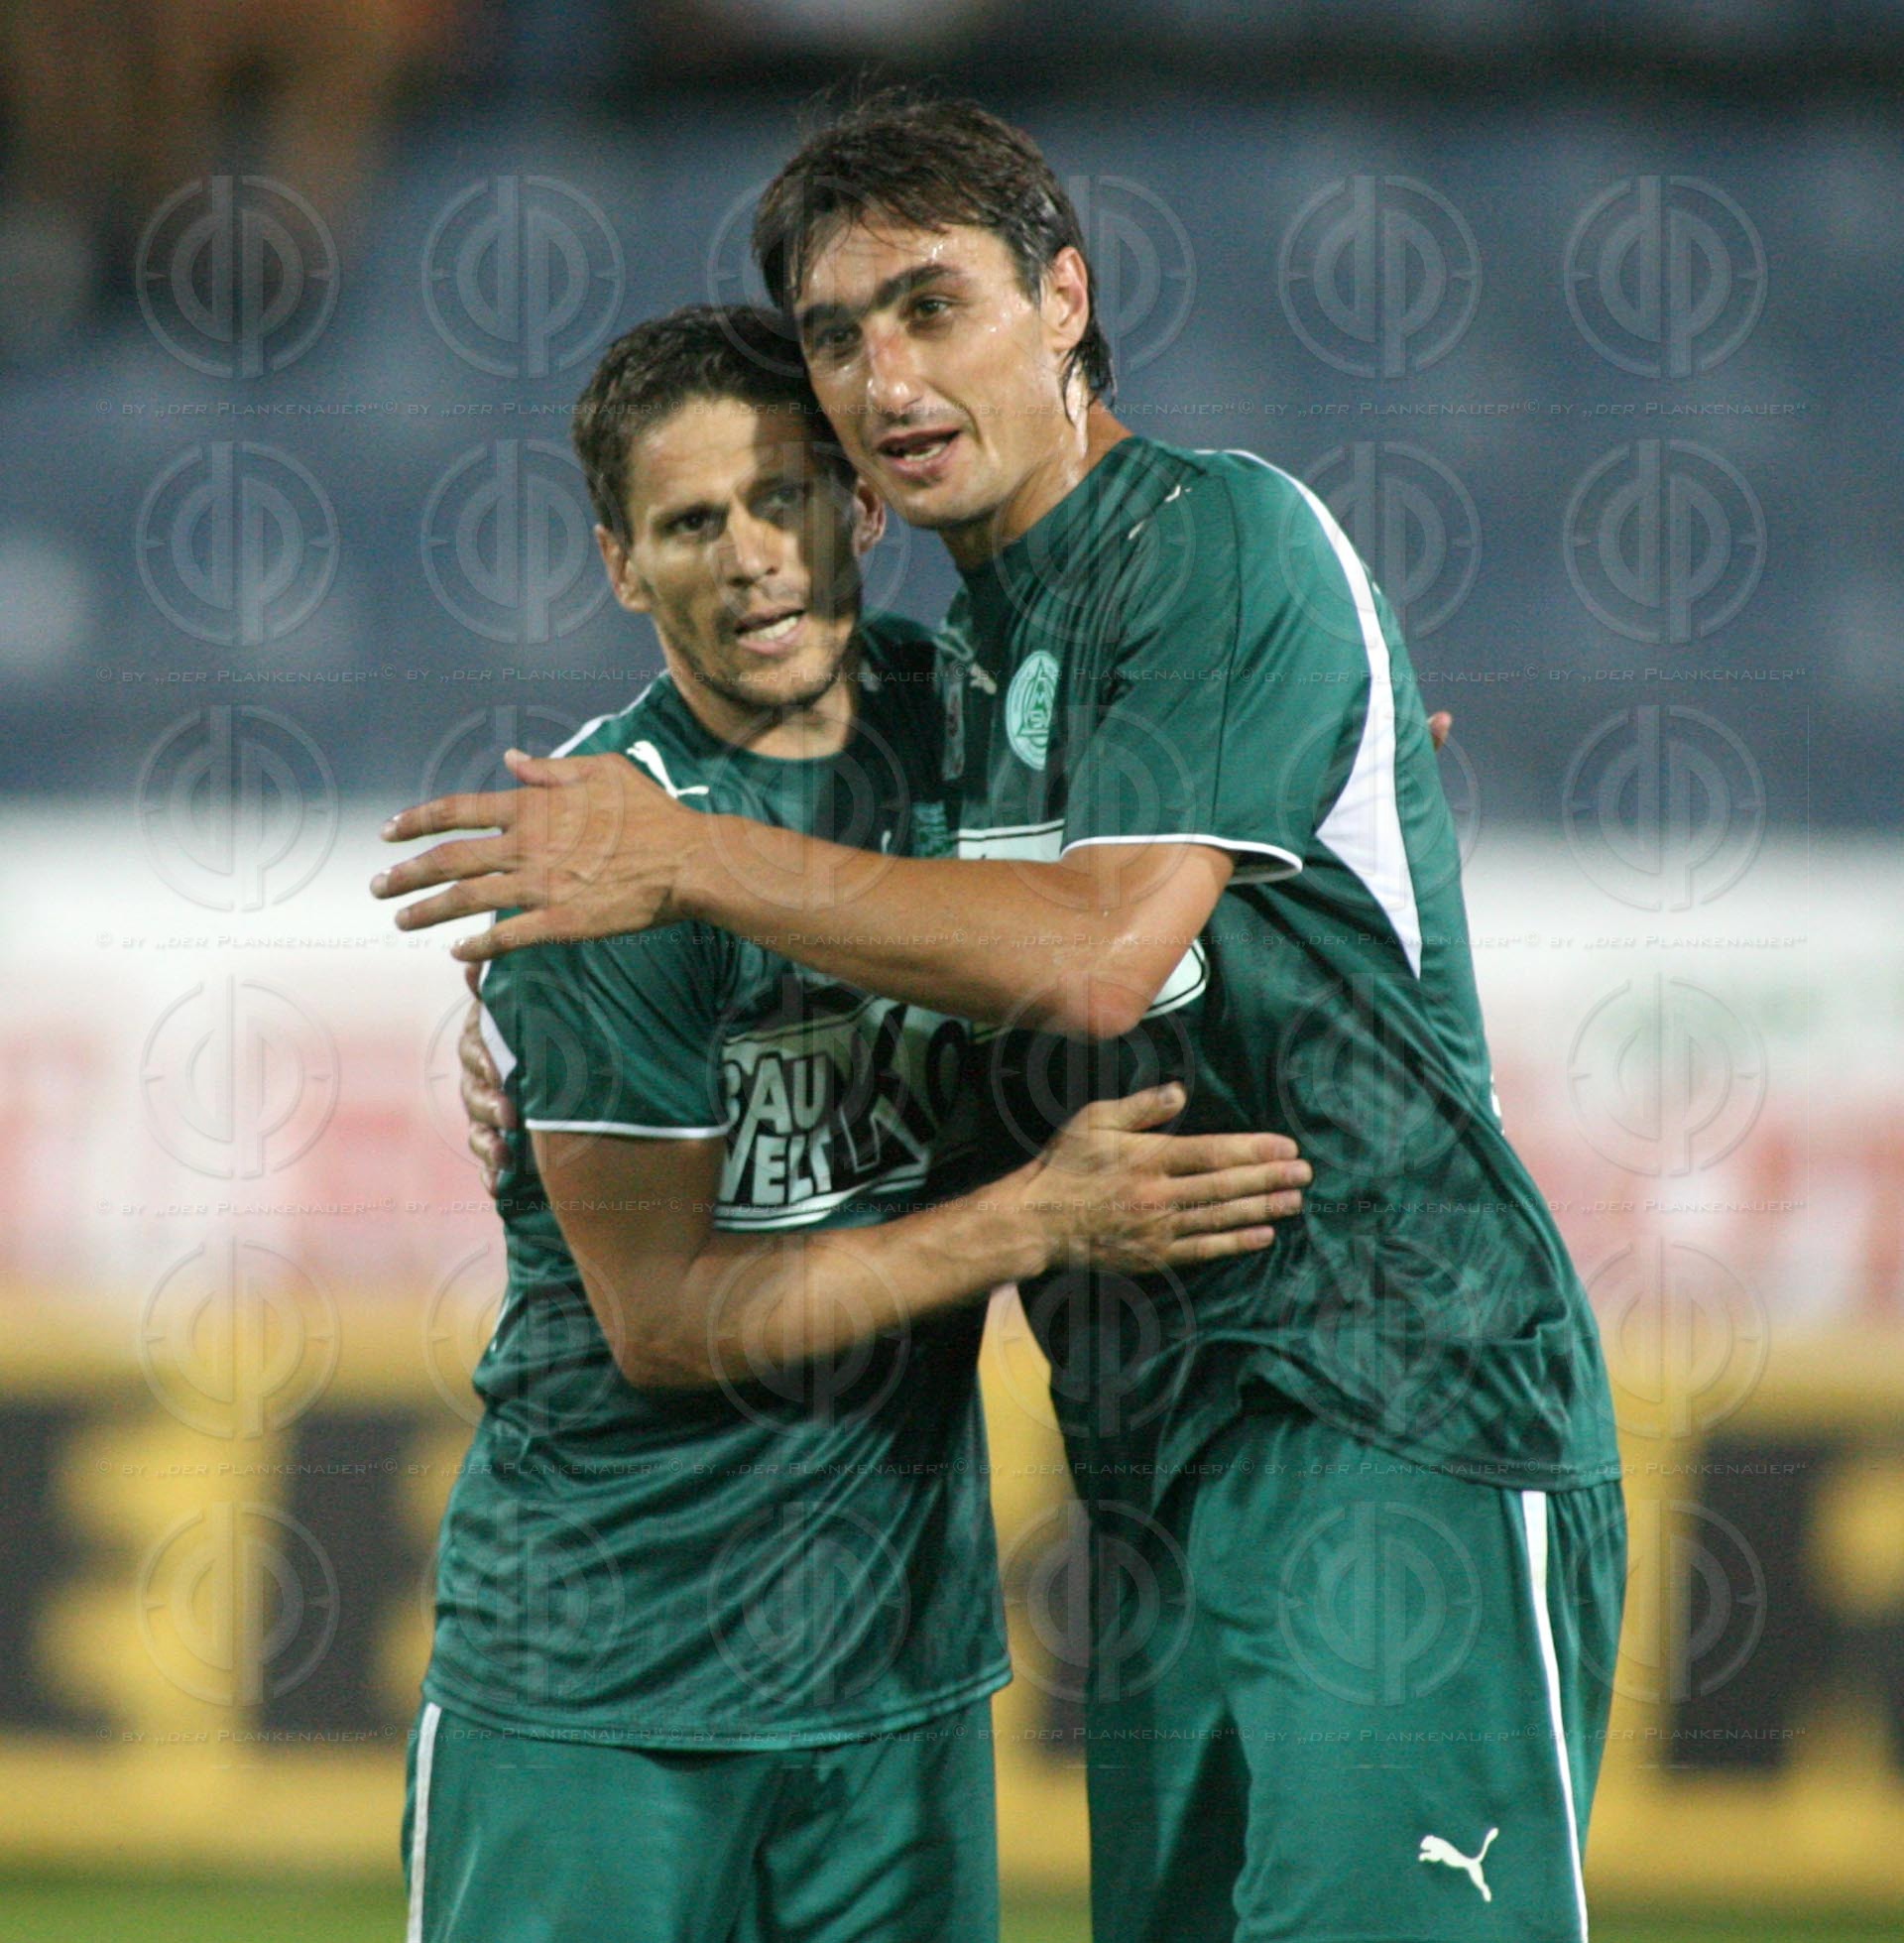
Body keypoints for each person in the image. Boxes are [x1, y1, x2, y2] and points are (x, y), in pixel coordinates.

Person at [378, 99, 1625, 1943]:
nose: (883, 372)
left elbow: (1096, 957)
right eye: (834, 334)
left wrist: (684, 862)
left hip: (1393, 1414)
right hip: (1154, 1469)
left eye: (930, 305)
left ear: (1064, 300)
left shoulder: (1215, 535)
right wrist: (537, 1016)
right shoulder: (957, 686)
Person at [398, 301, 1310, 1943]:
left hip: (895, 1681)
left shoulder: (978, 731)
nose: (749, 557)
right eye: (690, 523)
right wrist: (1033, 1219)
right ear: (622, 565)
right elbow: (668, 1325)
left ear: (862, 510)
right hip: (605, 1686)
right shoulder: (603, 860)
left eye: (783, 499)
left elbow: (1212, 785)